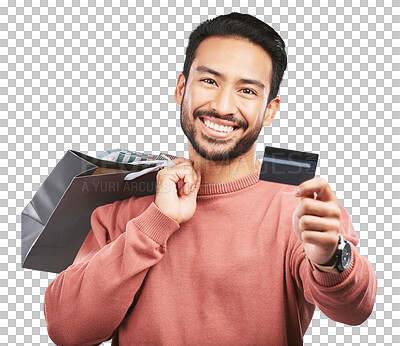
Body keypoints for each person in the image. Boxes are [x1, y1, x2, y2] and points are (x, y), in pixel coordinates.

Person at [44, 12, 377, 345]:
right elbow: (67, 329)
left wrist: (332, 259)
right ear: (181, 87)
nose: (222, 106)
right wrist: (155, 224)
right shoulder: (124, 205)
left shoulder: (299, 204)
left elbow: (354, 310)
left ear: (270, 110)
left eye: (247, 90)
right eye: (209, 81)